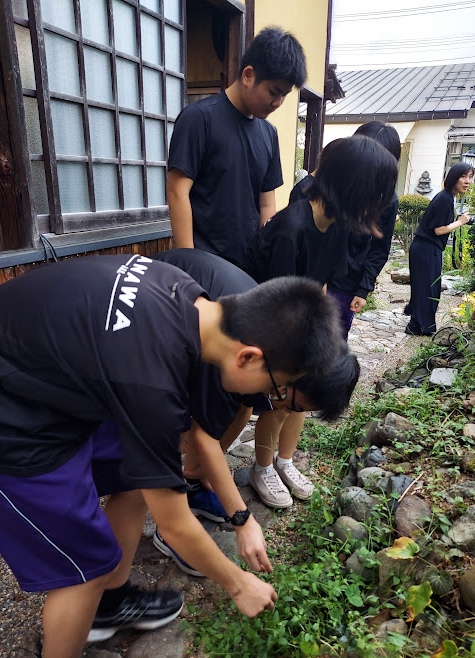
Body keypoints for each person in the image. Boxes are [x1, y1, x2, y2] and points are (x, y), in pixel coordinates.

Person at [0, 254, 344, 658]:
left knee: (135, 478)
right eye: (274, 387)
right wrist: (238, 584)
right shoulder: (153, 382)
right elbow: (175, 525)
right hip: (17, 412)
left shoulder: (180, 288)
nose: (268, 398)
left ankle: (111, 602)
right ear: (248, 357)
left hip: (52, 378)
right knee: (84, 568)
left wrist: (239, 518)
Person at [145, 249, 357, 576]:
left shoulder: (278, 351)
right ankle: (172, 525)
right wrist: (242, 518)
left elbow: (238, 411)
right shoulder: (238, 351)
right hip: (150, 320)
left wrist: (205, 471)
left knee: (228, 414)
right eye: (296, 405)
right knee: (165, 427)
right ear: (300, 373)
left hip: (183, 312)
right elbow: (203, 436)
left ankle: (192, 485)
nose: (287, 410)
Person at [243, 134, 398, 508]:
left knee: (307, 392)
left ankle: (285, 461)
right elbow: (276, 305)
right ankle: (261, 468)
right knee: (277, 402)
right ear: (353, 188)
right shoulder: (292, 228)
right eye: (375, 195)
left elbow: (322, 286)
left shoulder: (338, 225)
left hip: (300, 319)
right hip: (267, 326)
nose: (377, 206)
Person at [167, 26, 307, 268]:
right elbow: (177, 192)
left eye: (284, 95)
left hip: (247, 269)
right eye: (273, 92)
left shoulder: (269, 134)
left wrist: (266, 259)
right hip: (203, 265)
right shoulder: (199, 119)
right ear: (248, 75)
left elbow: (267, 205)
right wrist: (189, 265)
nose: (278, 103)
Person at [289, 121, 402, 339]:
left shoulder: (387, 200)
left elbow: (379, 249)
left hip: (346, 285)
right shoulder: (329, 185)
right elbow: (298, 228)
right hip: (307, 279)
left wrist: (363, 289)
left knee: (333, 343)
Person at [405, 162, 474, 336]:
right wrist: (460, 222)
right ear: (453, 178)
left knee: (427, 287)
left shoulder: (448, 197)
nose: (467, 181)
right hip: (426, 248)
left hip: (427, 248)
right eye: (463, 177)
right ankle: (419, 326)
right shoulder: (444, 198)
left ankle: (417, 325)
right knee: (427, 289)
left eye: (470, 177)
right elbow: (438, 230)